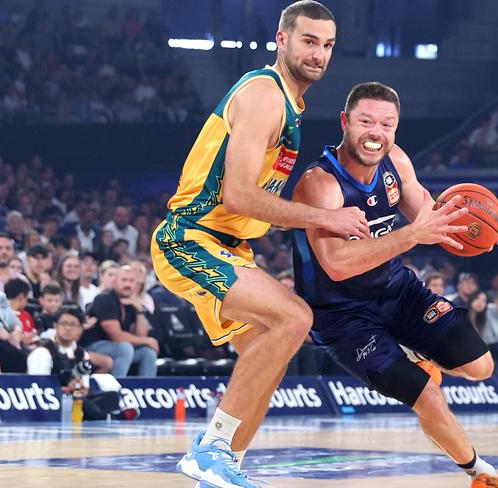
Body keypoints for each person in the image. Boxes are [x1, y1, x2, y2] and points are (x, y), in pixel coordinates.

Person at [151, 2, 370, 486]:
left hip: (229, 245)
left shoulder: (290, 103)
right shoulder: (263, 94)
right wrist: (324, 217)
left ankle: (224, 466)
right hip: (191, 237)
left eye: (328, 45)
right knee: (294, 317)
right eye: (309, 41)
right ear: (282, 39)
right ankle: (209, 450)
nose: (319, 53)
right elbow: (240, 194)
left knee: (265, 355)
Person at [291, 82, 498, 487]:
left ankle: (418, 356)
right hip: (343, 315)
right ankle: (481, 474)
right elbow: (336, 264)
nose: (376, 132)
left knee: (481, 367)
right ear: (345, 122)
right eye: (366, 121)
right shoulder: (319, 185)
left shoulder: (396, 161)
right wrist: (411, 235)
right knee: (427, 394)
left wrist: (477, 230)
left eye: (387, 124)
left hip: (397, 290)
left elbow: (430, 214)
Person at [27, 307, 134, 421]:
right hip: (50, 401)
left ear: (80, 329)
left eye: (73, 325)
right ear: (56, 326)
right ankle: (108, 417)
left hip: (77, 400)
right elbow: (39, 388)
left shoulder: (82, 354)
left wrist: (79, 387)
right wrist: (64, 388)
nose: (68, 328)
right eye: (64, 324)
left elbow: (85, 388)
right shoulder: (43, 352)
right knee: (74, 399)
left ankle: (91, 415)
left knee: (111, 396)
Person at [80, 265, 157, 377]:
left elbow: (140, 335)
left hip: (114, 347)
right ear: (115, 282)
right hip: (91, 347)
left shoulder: (130, 303)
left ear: (136, 285)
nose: (127, 284)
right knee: (125, 348)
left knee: (147, 353)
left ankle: (146, 390)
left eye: (131, 281)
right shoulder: (104, 299)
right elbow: (117, 336)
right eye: (124, 280)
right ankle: (117, 389)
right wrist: (147, 340)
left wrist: (140, 310)